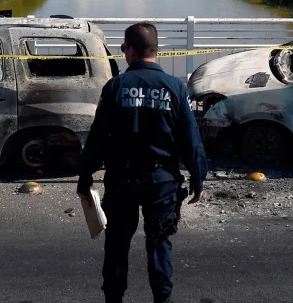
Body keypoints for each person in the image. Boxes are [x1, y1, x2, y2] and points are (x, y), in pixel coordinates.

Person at [78, 23, 207, 303]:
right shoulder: (175, 88)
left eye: (124, 48)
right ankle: (162, 298)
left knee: (116, 245)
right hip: (162, 183)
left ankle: (114, 299)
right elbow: (191, 140)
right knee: (159, 243)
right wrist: (198, 178)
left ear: (132, 50)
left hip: (121, 181)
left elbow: (97, 137)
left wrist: (85, 174)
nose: (124, 53)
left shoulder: (115, 87)